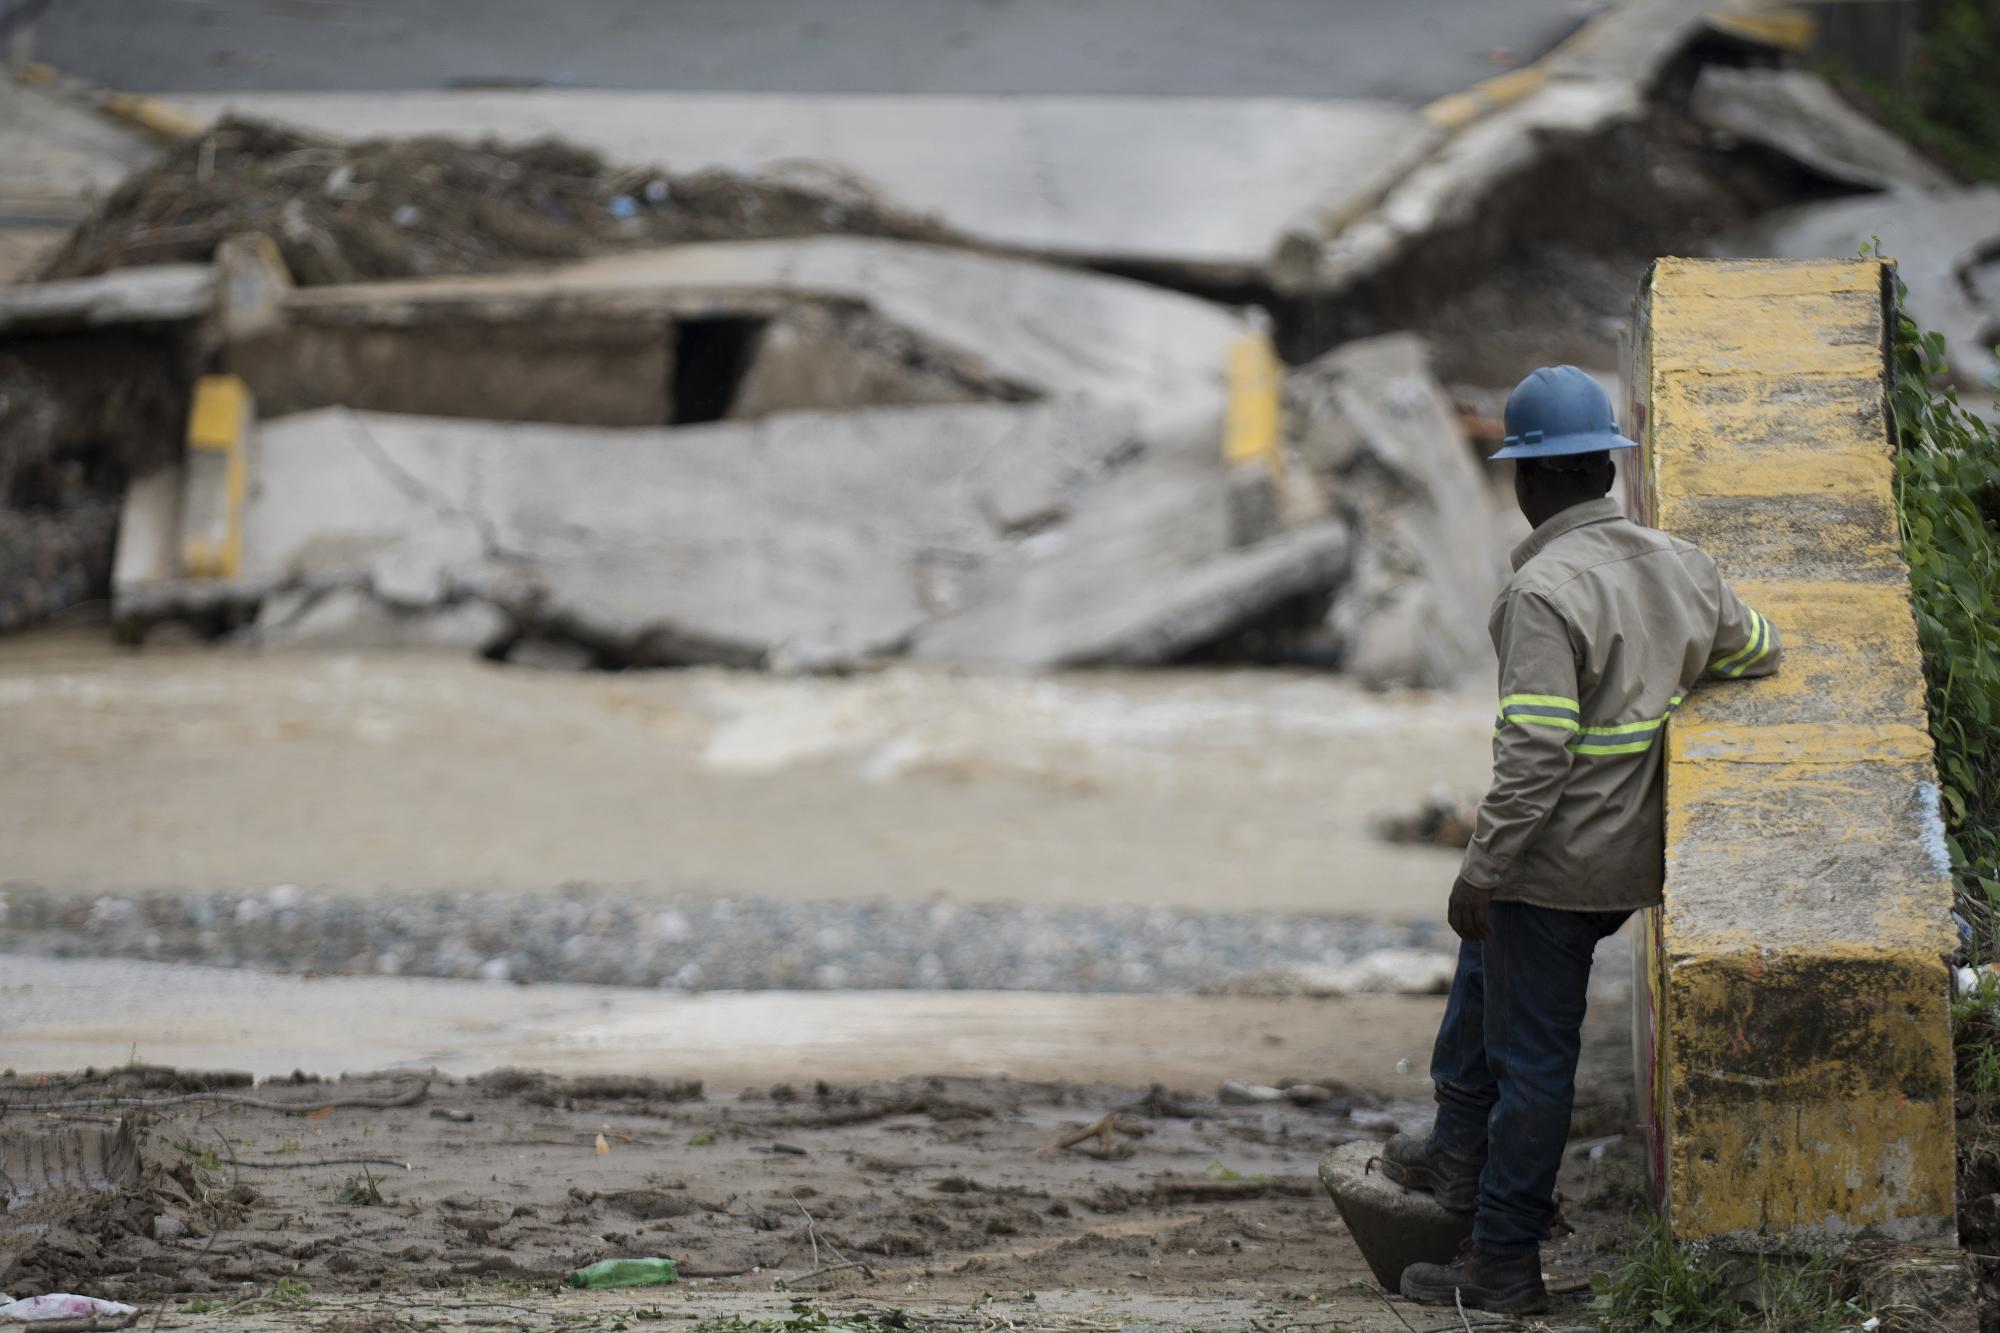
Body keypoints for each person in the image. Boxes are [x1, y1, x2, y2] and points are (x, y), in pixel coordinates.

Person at [1388, 365, 1780, 1315]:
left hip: (1555, 866)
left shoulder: (1543, 595)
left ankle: (1503, 1264)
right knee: (1488, 977)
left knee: (1534, 1061)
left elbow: (1533, 756)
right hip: (1628, 862)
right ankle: (1455, 1151)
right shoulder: (1680, 563)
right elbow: (1758, 647)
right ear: (1608, 464)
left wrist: (1480, 869)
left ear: (1525, 482)